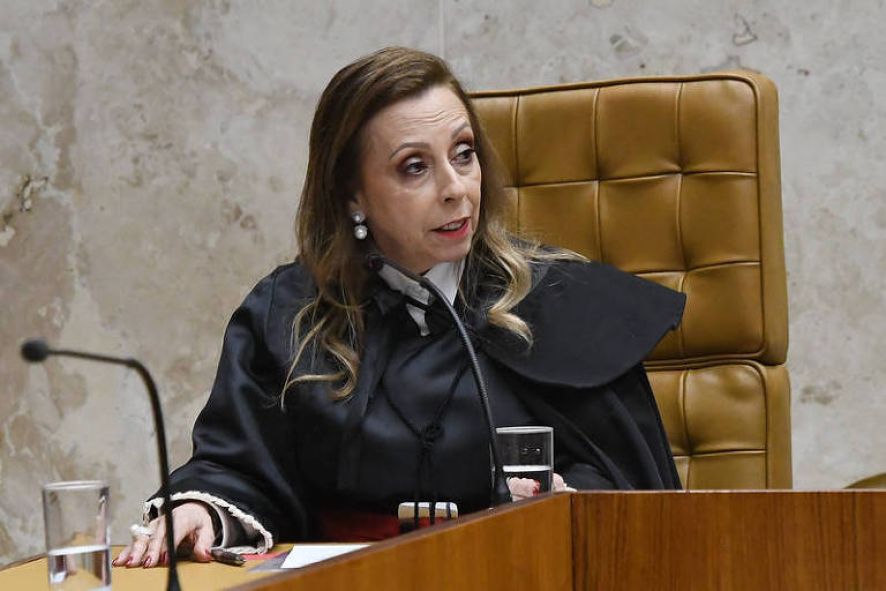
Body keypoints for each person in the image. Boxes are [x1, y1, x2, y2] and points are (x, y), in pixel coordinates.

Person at [114, 46, 685, 569]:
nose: (455, 188)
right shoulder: (288, 312)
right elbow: (241, 468)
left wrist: (566, 498)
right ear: (352, 194)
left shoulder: (561, 300)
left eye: (464, 154)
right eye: (415, 167)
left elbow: (630, 483)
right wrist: (202, 510)